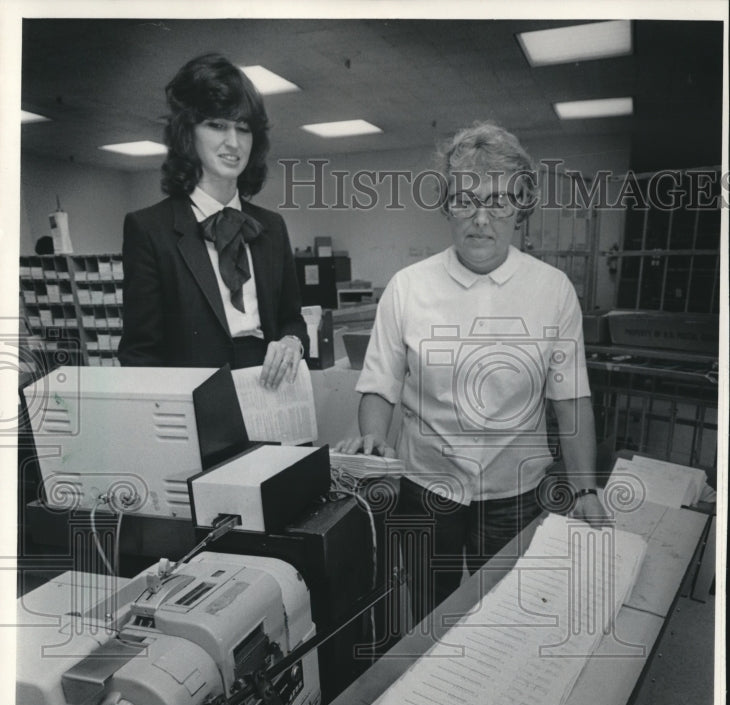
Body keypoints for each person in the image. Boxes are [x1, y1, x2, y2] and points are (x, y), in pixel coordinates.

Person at [337, 121, 605, 623]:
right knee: (427, 618)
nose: (481, 219)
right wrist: (373, 439)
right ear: (446, 206)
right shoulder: (407, 287)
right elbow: (380, 385)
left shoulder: (552, 289)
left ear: (520, 209)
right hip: (426, 489)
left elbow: (571, 399)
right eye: (465, 200)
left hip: (515, 493)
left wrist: (586, 488)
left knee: (504, 618)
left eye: (499, 202)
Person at [118, 53, 307, 389]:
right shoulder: (148, 229)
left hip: (272, 397)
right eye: (217, 125)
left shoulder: (272, 227)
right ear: (187, 133)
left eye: (243, 128)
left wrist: (293, 342)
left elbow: (291, 319)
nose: (233, 142)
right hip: (196, 404)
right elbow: (140, 354)